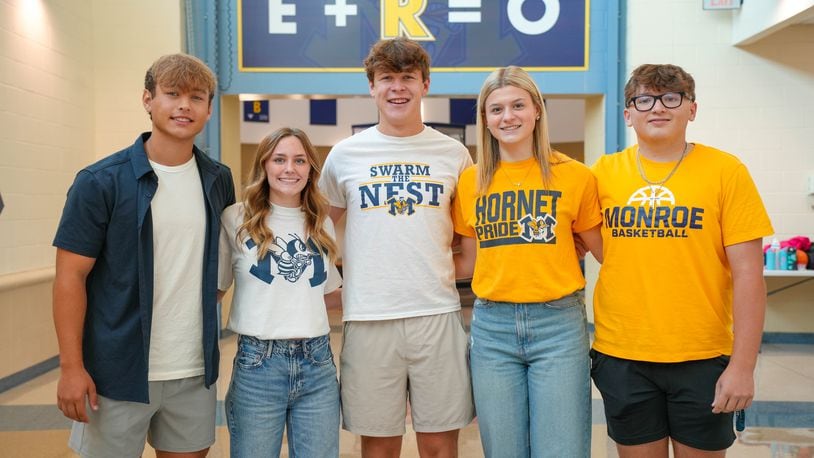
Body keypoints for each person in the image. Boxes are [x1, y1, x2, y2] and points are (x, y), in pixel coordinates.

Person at [52, 53, 235, 457]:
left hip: (193, 370)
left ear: (208, 109)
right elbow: (70, 278)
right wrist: (71, 367)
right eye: (172, 94)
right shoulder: (99, 182)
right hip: (116, 372)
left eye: (197, 97)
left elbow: (221, 260)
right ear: (148, 100)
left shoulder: (218, 179)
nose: (184, 105)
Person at [590, 64, 773, 457]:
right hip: (623, 355)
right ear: (628, 113)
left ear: (691, 109)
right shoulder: (603, 174)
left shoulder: (726, 172)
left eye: (671, 98)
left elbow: (749, 276)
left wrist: (743, 367)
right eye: (645, 99)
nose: (658, 108)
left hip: (703, 357)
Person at [318, 37, 475, 457]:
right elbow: (315, 228)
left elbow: (468, 237)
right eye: (387, 78)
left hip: (437, 315)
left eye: (408, 78)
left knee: (440, 446)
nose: (397, 87)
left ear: (425, 85)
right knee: (378, 447)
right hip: (369, 318)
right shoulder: (345, 155)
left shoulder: (454, 154)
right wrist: (332, 286)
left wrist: (441, 272)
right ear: (372, 87)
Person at [451, 66, 603, 458]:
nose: (508, 117)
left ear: (537, 110)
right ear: (485, 119)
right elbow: (466, 262)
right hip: (492, 328)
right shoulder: (471, 182)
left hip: (558, 325)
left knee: (562, 449)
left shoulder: (575, 176)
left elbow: (605, 252)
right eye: (496, 109)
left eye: (518, 105)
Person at [218, 127, 342, 457]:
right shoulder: (236, 219)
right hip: (258, 363)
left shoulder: (321, 223)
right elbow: (214, 290)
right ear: (264, 165)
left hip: (318, 363)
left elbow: (328, 294)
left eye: (300, 160)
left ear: (310, 169)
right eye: (280, 159)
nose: (290, 168)